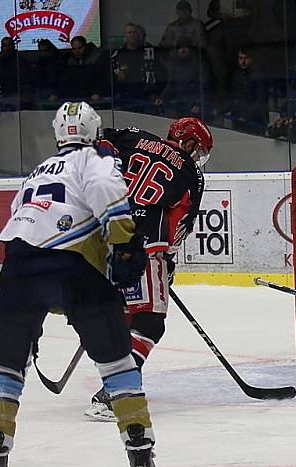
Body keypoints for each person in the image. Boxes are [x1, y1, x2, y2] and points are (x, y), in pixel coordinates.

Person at [0, 102, 154, 467]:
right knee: (116, 359)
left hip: (19, 266)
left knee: (5, 363)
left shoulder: (39, 170)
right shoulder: (96, 156)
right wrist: (125, 250)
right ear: (94, 130)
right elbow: (108, 194)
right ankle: (138, 440)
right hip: (74, 266)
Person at [84, 117, 213, 422]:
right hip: (143, 244)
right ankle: (116, 392)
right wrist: (165, 264)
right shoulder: (191, 172)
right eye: (200, 150)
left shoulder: (131, 136)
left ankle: (116, 376)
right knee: (150, 321)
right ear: (190, 143)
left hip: (101, 237)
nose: (198, 158)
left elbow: (98, 145)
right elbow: (177, 224)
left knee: (122, 313)